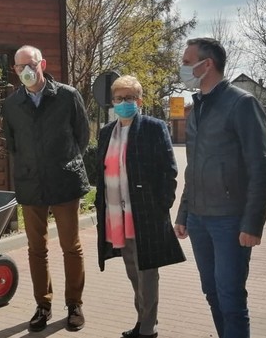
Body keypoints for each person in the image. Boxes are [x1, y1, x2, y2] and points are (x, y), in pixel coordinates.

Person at [173, 38, 266, 338]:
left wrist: (252, 224)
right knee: (212, 292)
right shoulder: (197, 108)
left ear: (208, 64)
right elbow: (194, 167)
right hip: (199, 219)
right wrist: (184, 212)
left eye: (187, 62)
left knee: (231, 297)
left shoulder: (242, 104)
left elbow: (261, 166)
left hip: (230, 220)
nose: (183, 68)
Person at [1, 45, 90, 332]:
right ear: (15, 70)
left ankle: (74, 304)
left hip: (65, 180)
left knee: (71, 246)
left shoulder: (67, 96)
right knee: (36, 249)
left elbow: (82, 135)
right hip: (31, 184)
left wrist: (65, 162)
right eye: (20, 66)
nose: (26, 70)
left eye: (31, 64)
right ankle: (43, 305)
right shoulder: (11, 105)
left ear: (43, 64)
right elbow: (12, 144)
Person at [95, 75, 186, 338]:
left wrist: (161, 206)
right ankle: (142, 319)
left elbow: (168, 170)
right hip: (116, 214)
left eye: (129, 98)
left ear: (140, 101)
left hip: (145, 213)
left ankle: (147, 327)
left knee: (147, 271)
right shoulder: (106, 133)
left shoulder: (153, 128)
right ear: (112, 102)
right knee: (132, 270)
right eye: (118, 98)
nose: (123, 102)